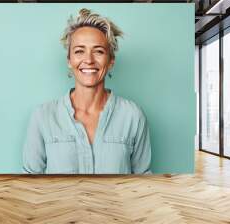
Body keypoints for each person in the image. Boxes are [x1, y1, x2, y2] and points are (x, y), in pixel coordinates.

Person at [23, 8, 151, 174]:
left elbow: (143, 182)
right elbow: (30, 181)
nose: (89, 60)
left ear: (111, 60)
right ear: (69, 60)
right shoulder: (42, 116)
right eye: (79, 51)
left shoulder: (133, 116)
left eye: (98, 51)